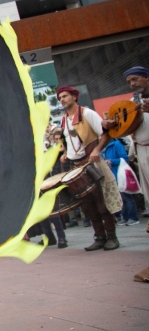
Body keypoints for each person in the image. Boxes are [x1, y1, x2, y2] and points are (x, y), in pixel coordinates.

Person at [58, 86, 122, 251]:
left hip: (91, 163)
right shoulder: (64, 119)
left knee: (102, 201)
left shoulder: (87, 113)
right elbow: (68, 141)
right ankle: (99, 237)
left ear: (74, 97)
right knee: (87, 204)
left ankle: (112, 237)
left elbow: (107, 133)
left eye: (65, 96)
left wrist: (96, 150)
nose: (62, 100)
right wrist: (65, 153)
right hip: (76, 166)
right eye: (60, 98)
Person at [105, 67, 149, 217]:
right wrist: (108, 125)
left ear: (147, 78)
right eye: (129, 81)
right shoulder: (131, 103)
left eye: (135, 79)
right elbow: (123, 128)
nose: (132, 84)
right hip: (142, 151)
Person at [102, 138, 140, 225]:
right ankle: (125, 217)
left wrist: (112, 161)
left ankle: (133, 217)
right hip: (111, 176)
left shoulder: (116, 144)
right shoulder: (101, 148)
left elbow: (125, 158)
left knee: (127, 196)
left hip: (120, 174)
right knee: (120, 198)